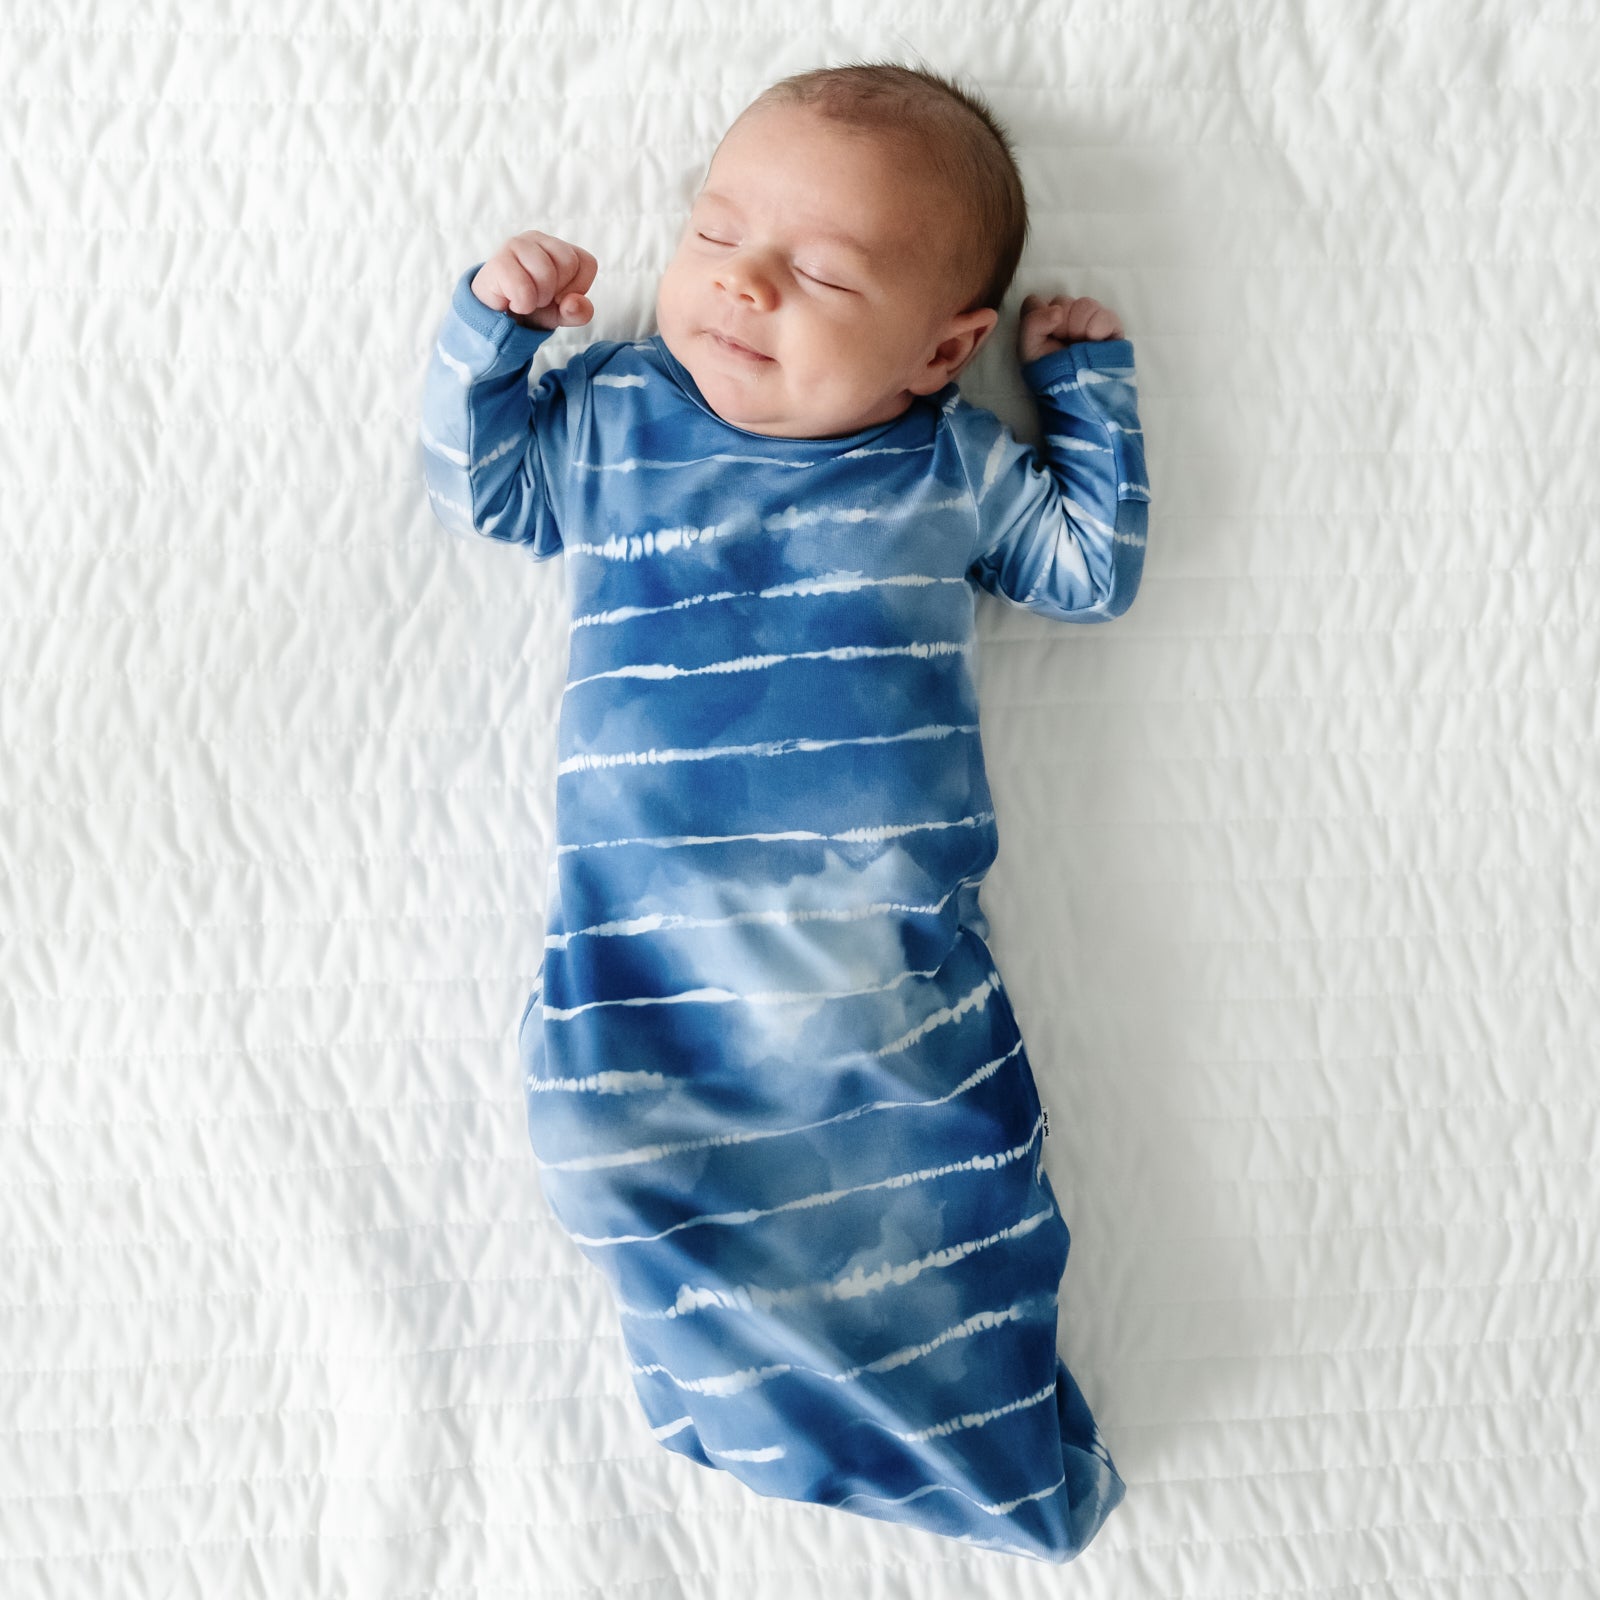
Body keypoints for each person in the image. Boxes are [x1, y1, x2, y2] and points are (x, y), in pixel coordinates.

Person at [419, 61, 1148, 1563]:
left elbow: (1088, 568)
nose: (742, 284)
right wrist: (491, 336)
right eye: (716, 233)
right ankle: (747, 1400)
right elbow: (484, 488)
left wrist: (1087, 393)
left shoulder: (943, 465)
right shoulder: (622, 416)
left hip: (871, 975)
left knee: (925, 1199)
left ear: (944, 348)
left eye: (818, 271)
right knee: (609, 1155)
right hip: (647, 961)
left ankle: (980, 1449)